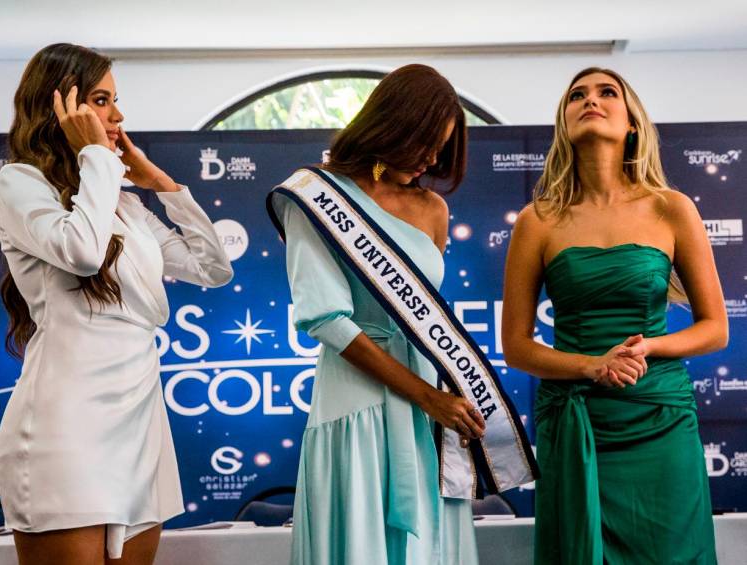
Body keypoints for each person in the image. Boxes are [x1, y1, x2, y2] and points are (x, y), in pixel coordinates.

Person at [0, 43, 233, 564]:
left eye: (116, 100)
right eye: (102, 100)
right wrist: (98, 157)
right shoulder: (20, 183)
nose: (118, 115)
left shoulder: (122, 201)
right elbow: (79, 252)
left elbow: (212, 268)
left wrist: (162, 186)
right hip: (66, 427)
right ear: (61, 107)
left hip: (140, 421)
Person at [502, 67, 727, 564]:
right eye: (576, 96)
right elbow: (515, 346)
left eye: (607, 93)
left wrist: (649, 346)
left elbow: (715, 328)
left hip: (658, 418)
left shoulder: (672, 208)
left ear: (631, 122)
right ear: (564, 124)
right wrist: (590, 365)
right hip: (578, 418)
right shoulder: (537, 221)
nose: (591, 100)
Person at [268, 64, 484, 565]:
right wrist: (429, 398)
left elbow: (430, 315)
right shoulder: (315, 196)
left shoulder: (432, 208)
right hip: (356, 405)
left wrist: (438, 398)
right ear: (393, 123)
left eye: (442, 148)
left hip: (429, 410)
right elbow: (328, 321)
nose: (432, 158)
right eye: (426, 142)